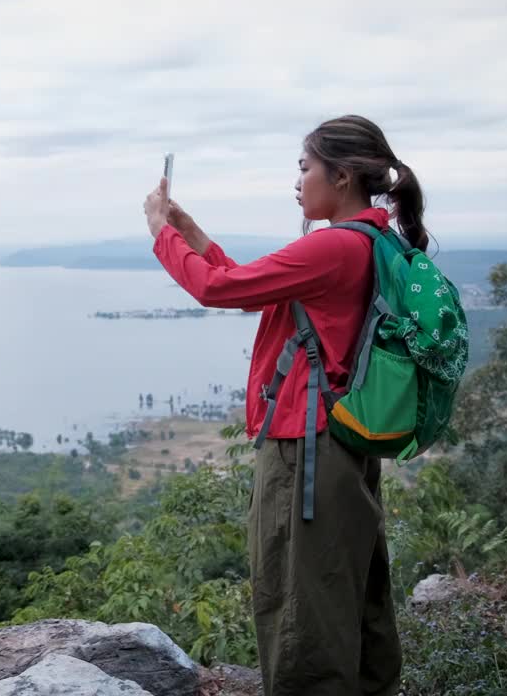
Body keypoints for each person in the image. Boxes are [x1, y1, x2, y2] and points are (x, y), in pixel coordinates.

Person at [142, 115, 425, 695]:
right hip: (345, 440)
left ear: (341, 175)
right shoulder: (372, 240)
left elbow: (216, 290)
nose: (297, 181)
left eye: (305, 167)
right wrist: (191, 232)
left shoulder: (332, 246)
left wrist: (160, 234)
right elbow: (247, 281)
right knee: (351, 592)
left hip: (307, 448)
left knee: (300, 609)